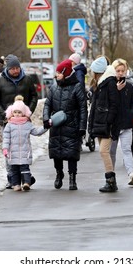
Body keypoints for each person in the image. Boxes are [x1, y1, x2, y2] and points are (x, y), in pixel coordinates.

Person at [0, 54, 39, 189]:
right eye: (13, 69)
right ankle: (12, 178)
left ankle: (25, 177)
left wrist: (29, 112)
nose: (16, 71)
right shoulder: (0, 81)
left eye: (17, 68)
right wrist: (4, 114)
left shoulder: (27, 80)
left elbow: (34, 96)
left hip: (23, 122)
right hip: (7, 122)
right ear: (8, 69)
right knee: (9, 150)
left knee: (23, 148)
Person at [43, 59, 88, 190]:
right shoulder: (53, 87)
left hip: (72, 125)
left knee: (72, 153)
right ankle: (59, 173)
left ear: (66, 72)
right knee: (56, 152)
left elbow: (83, 108)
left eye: (59, 72)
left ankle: (72, 178)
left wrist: (82, 127)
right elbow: (47, 104)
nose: (56, 75)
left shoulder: (77, 87)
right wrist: (46, 119)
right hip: (56, 125)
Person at [88, 56, 120, 193]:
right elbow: (94, 107)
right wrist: (91, 125)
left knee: (103, 151)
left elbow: (114, 105)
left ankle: (110, 181)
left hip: (107, 125)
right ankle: (111, 182)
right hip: (99, 124)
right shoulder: (99, 84)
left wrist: (108, 122)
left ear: (97, 72)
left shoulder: (110, 83)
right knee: (104, 152)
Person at [2, 95, 48, 192]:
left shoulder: (27, 124)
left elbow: (36, 132)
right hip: (13, 152)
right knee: (14, 170)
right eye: (15, 112)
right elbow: (6, 138)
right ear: (12, 112)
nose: (17, 114)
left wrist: (46, 127)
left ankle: (27, 183)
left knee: (25, 169)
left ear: (23, 113)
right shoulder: (9, 125)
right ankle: (16, 185)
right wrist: (5, 149)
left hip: (24, 151)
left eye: (19, 112)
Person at [110, 58, 133, 186]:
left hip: (127, 124)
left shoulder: (129, 86)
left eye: (123, 70)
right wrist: (116, 90)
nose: (121, 73)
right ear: (113, 71)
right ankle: (110, 175)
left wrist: (132, 112)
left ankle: (131, 173)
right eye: (118, 71)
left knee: (127, 150)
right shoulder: (109, 86)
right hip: (112, 126)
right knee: (111, 152)